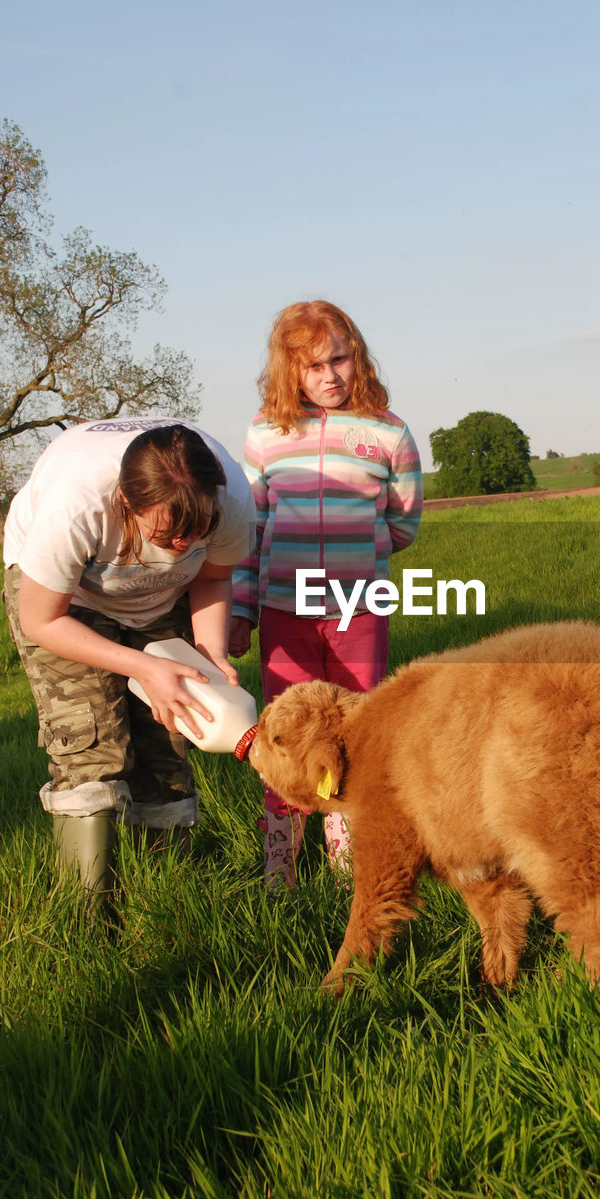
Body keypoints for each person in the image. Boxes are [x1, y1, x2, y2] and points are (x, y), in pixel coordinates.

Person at [3, 418, 256, 907]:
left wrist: (209, 653)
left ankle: (164, 902)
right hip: (66, 603)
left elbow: (210, 578)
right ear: (125, 503)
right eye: (166, 534)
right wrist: (140, 667)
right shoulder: (76, 507)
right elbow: (40, 621)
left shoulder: (230, 499)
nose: (183, 546)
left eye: (196, 531)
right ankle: (87, 918)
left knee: (170, 735)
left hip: (162, 598)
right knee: (91, 743)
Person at [229, 300, 422, 887]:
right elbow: (249, 530)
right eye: (312, 367)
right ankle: (279, 868)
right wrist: (241, 609)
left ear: (355, 356)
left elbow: (404, 523)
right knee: (287, 737)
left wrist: (356, 552)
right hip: (283, 614)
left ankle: (348, 869)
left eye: (338, 359)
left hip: (358, 613)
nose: (329, 376)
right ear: (291, 372)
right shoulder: (265, 433)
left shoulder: (389, 432)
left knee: (355, 735)